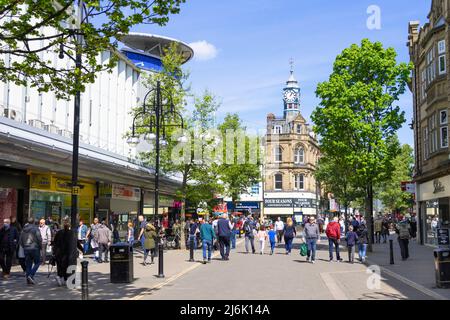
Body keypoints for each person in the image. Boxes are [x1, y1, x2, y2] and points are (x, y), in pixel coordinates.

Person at [52, 216, 79, 287]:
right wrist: (82, 249)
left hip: (59, 253)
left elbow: (54, 243)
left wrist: (54, 252)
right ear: (69, 226)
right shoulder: (71, 233)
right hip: (67, 253)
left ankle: (60, 277)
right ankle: (65, 279)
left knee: (60, 266)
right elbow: (77, 242)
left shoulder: (59, 232)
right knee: (67, 266)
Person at [19, 217, 42, 285]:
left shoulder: (23, 230)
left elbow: (20, 240)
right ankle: (31, 275)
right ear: (33, 222)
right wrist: (40, 247)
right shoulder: (35, 229)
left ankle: (28, 279)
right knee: (37, 262)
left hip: (26, 248)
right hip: (34, 248)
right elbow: (39, 239)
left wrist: (24, 246)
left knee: (28, 264)